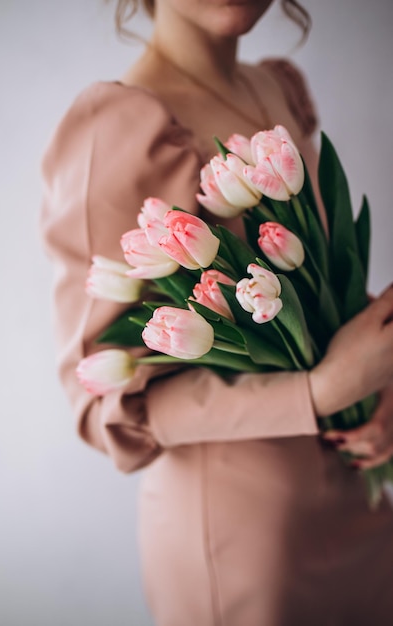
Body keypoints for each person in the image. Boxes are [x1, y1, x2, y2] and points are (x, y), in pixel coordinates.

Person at [40, 1, 393, 624]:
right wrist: (318, 389)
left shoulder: (277, 87)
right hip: (246, 536)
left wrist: (378, 391)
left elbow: (318, 290)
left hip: (351, 496)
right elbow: (105, 404)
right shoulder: (118, 127)